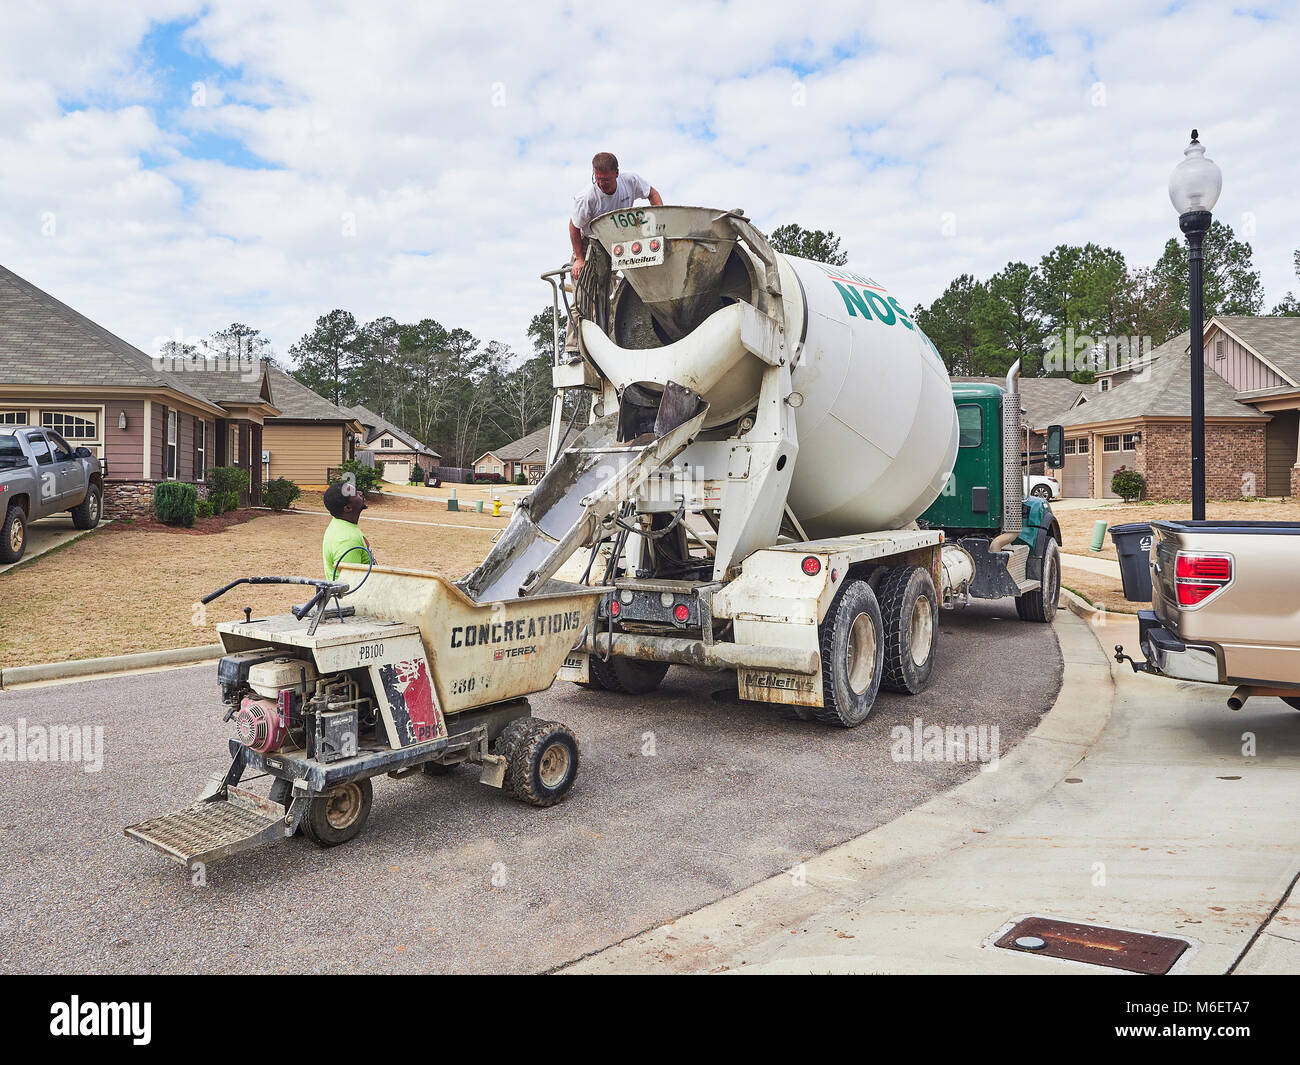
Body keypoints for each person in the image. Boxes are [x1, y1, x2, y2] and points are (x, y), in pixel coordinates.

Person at [566, 152, 663, 352]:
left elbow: (652, 193)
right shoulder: (588, 197)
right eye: (597, 179)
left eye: (606, 180)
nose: (601, 184)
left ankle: (607, 344)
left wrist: (661, 223)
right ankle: (574, 348)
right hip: (589, 244)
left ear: (617, 173)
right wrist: (579, 259)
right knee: (581, 299)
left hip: (614, 244)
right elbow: (574, 227)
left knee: (606, 296)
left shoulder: (631, 181)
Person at [322, 481, 373, 581]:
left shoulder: (342, 524)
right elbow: (352, 584)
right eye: (355, 494)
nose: (361, 493)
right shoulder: (347, 540)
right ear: (348, 508)